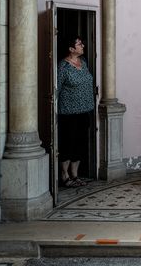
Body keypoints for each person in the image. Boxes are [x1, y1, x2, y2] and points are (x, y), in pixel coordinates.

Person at [57, 35, 94, 188]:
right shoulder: (63, 67)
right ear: (71, 49)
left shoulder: (83, 63)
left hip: (85, 111)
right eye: (79, 44)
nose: (82, 46)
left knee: (80, 144)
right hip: (68, 113)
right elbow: (56, 90)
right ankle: (64, 176)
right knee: (68, 144)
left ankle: (75, 175)